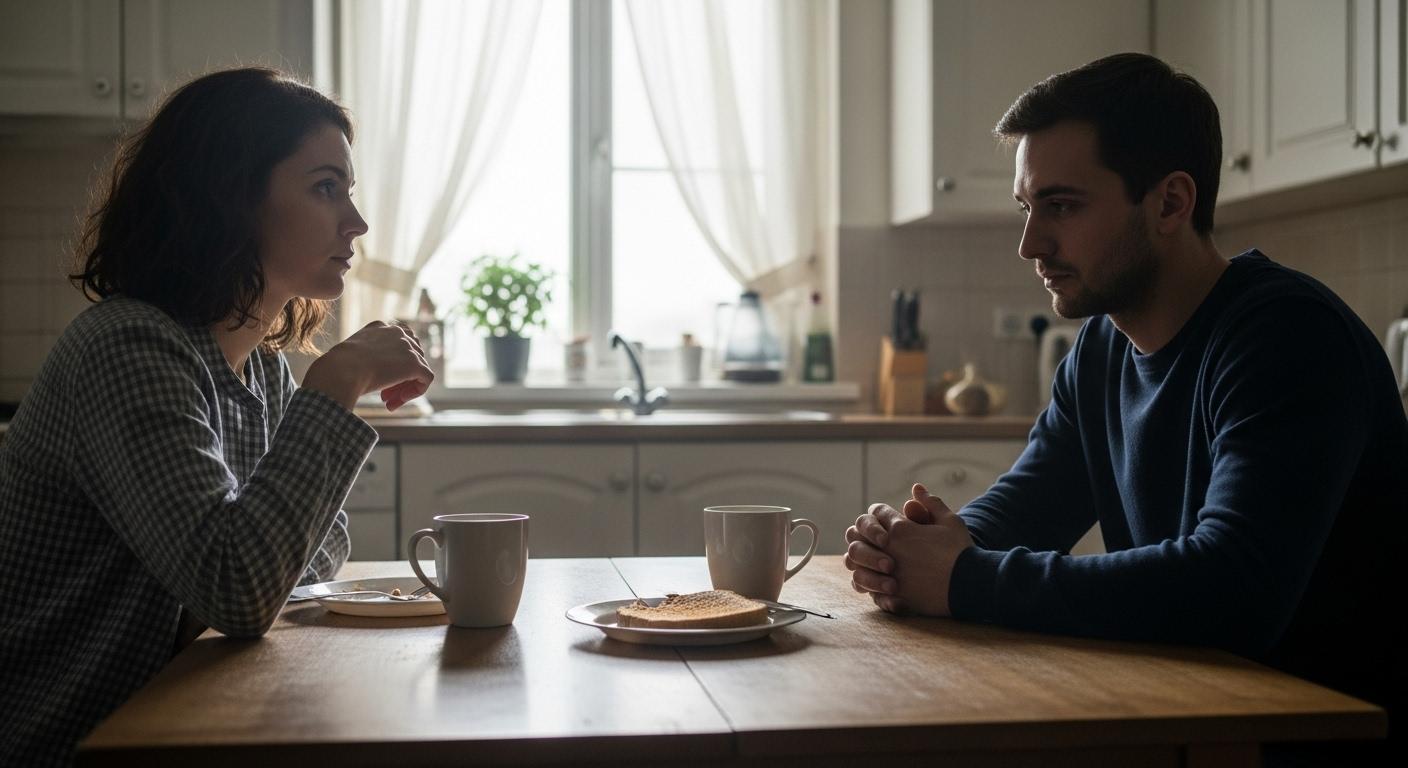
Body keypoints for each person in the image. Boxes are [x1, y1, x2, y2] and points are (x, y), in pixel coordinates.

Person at [844, 53, 1407, 761]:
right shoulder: (1101, 349)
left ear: (1170, 202)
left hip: (1321, 739)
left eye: (1062, 206)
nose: (1030, 244)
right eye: (1028, 207)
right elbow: (1029, 504)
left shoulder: (1286, 336)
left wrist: (962, 577)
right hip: (1201, 720)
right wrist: (918, 546)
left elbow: (1231, 588)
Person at [0, 68, 433, 766]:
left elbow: (319, 550)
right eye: (326, 188)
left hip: (178, 721)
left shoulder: (257, 366)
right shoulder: (127, 348)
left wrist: (237, 573)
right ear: (231, 199)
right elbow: (240, 587)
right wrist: (340, 378)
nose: (355, 222)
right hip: (69, 743)